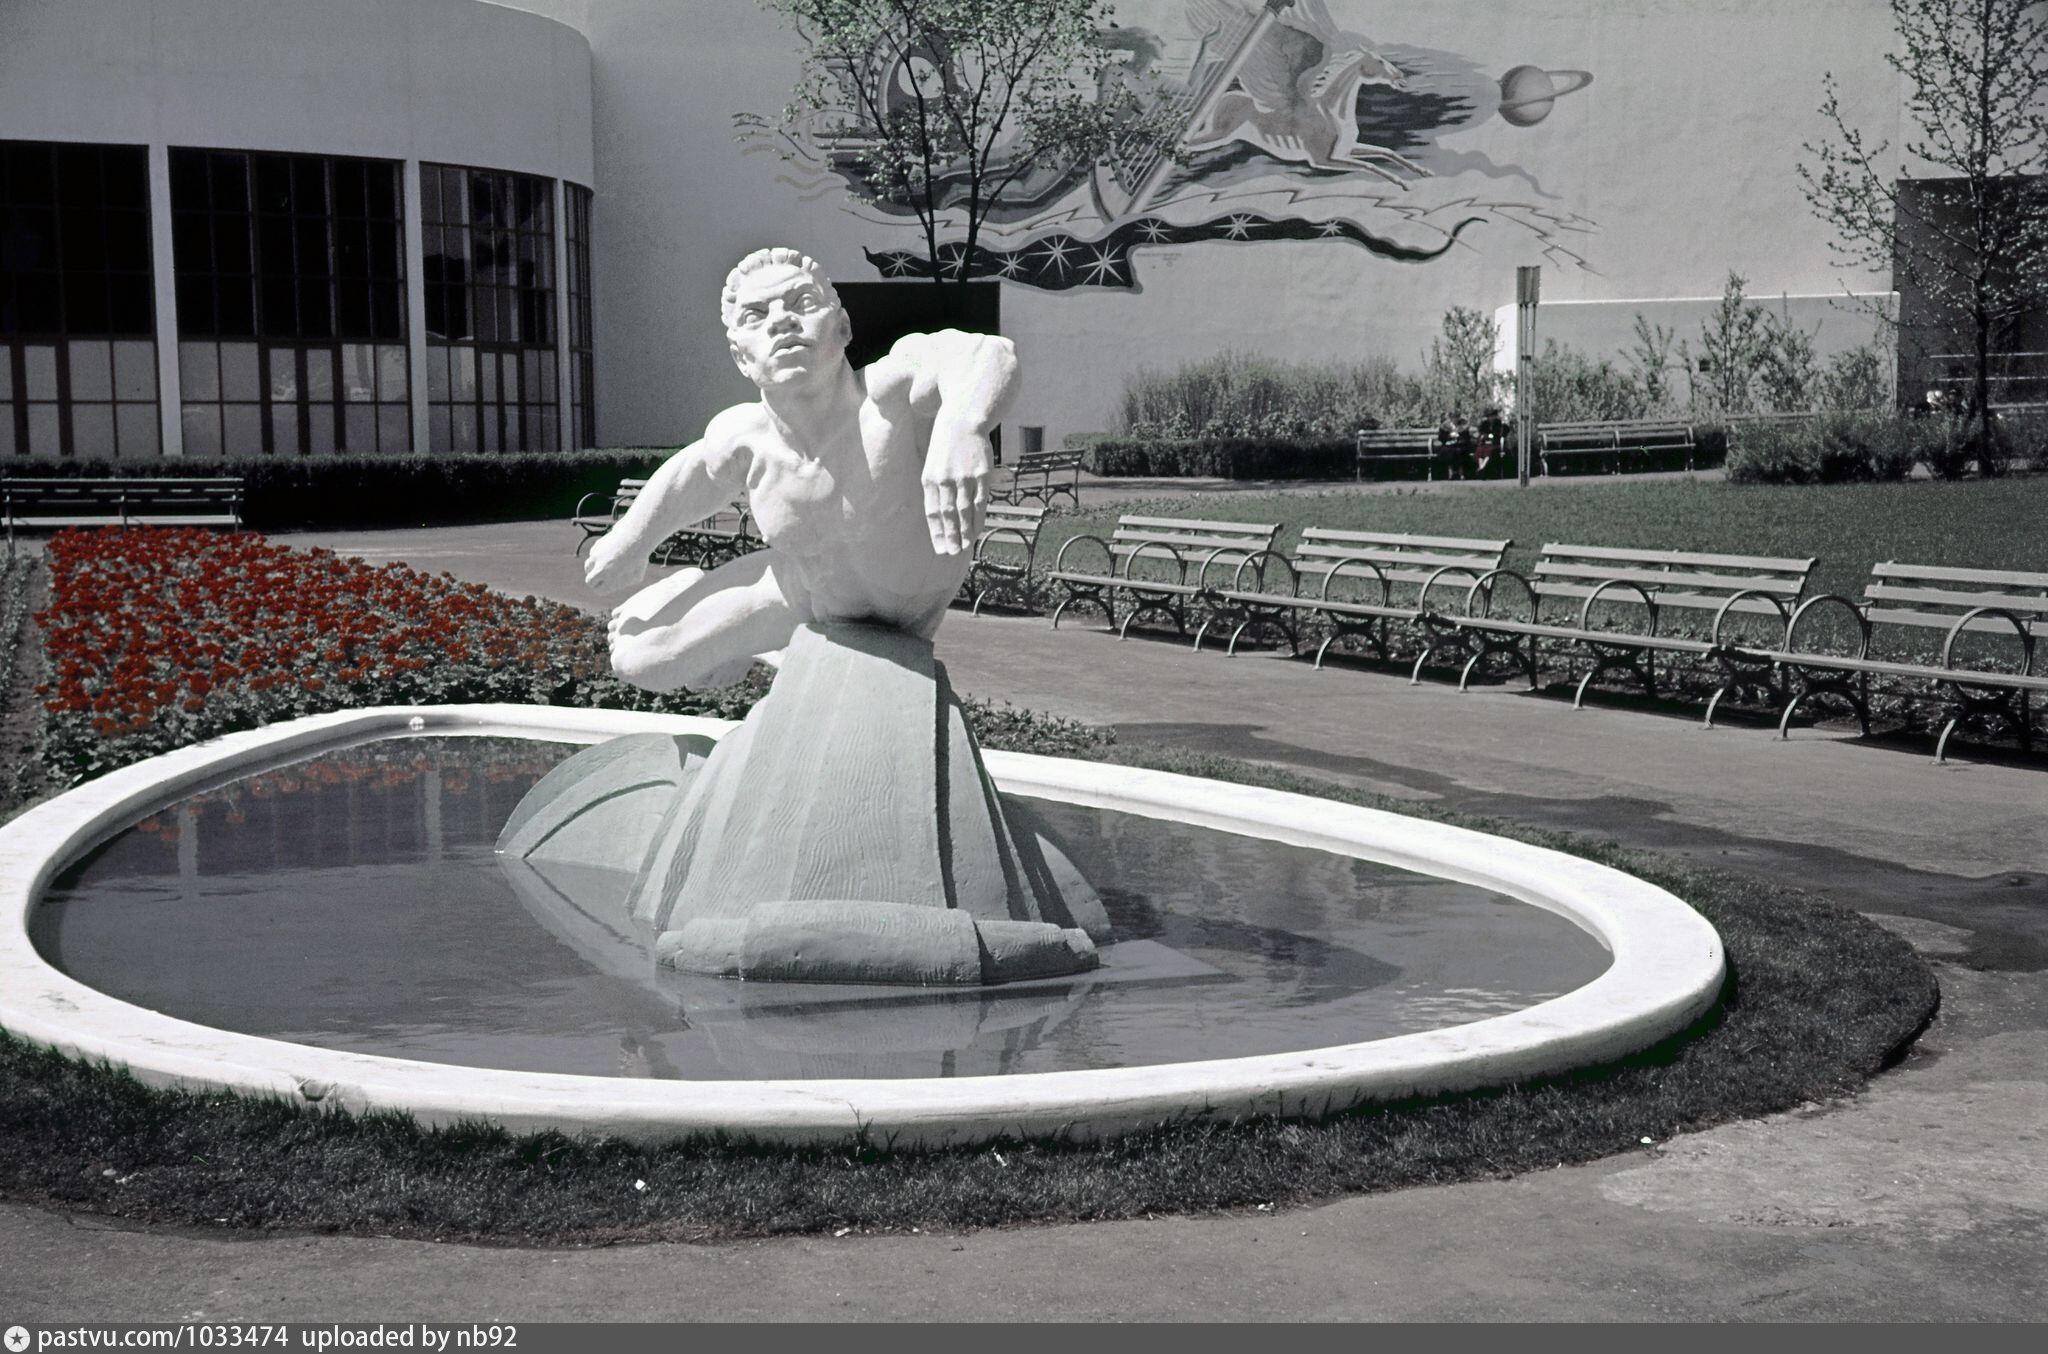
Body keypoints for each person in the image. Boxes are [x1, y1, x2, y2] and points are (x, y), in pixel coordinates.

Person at [584, 247, 1016, 691]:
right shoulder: (745, 436)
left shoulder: (889, 398)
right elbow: (694, 473)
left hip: (904, 615)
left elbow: (984, 353)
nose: (781, 321)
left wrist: (961, 428)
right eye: (755, 315)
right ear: (741, 357)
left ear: (843, 327)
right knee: (641, 661)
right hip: (808, 593)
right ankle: (693, 593)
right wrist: (630, 542)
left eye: (802, 303)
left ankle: (762, 644)